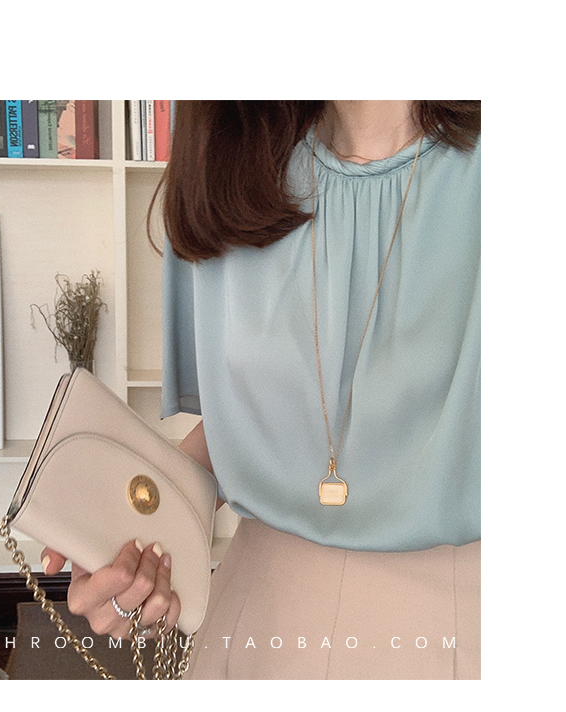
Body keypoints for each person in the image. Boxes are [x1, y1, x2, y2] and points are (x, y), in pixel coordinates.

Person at [42, 100, 481, 680]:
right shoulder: (226, 165)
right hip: (259, 620)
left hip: (463, 622)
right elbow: (250, 425)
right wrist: (131, 531)